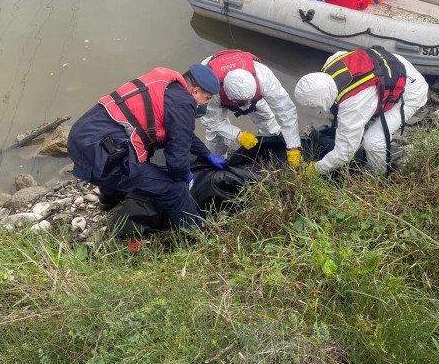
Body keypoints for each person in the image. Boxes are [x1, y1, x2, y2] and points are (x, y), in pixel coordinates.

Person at [66, 65, 226, 230]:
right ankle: (196, 236)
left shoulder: (167, 84)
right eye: (207, 98)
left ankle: (108, 203)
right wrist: (185, 176)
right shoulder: (183, 103)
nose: (205, 104)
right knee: (175, 190)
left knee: (112, 164)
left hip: (81, 139)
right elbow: (177, 162)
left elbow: (182, 133)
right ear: (196, 91)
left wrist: (206, 154)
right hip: (101, 155)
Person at [294, 46, 428, 175]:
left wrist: (315, 169)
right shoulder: (330, 63)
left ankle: (377, 177)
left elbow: (343, 154)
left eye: (315, 105)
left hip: (411, 90)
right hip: (391, 65)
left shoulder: (354, 105)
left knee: (373, 141)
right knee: (358, 127)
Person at [201, 49, 302, 168]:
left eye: (249, 98)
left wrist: (293, 146)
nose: (247, 104)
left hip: (251, 90)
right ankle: (216, 163)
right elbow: (212, 122)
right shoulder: (209, 87)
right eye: (242, 102)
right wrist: (238, 135)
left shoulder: (263, 77)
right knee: (216, 137)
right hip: (217, 84)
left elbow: (286, 111)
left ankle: (271, 143)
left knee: (268, 123)